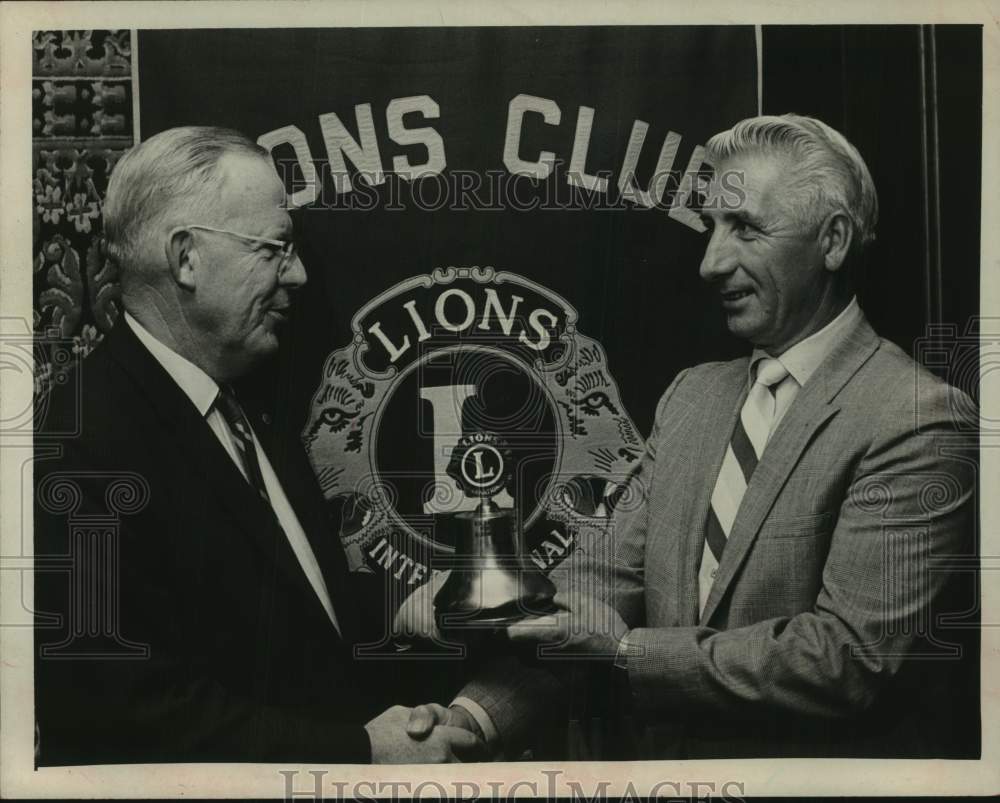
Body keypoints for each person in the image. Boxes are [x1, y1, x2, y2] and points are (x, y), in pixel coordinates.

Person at [402, 114, 977, 758]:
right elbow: (604, 580)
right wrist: (471, 718)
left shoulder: (916, 416)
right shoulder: (692, 397)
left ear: (834, 241)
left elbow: (845, 659)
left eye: (746, 229)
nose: (710, 262)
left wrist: (625, 653)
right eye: (711, 228)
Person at [33, 126, 483, 765]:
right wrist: (361, 752)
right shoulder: (76, 440)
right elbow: (120, 711)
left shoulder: (248, 405)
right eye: (274, 248)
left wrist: (429, 604)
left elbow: (291, 599)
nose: (297, 274)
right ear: (186, 257)